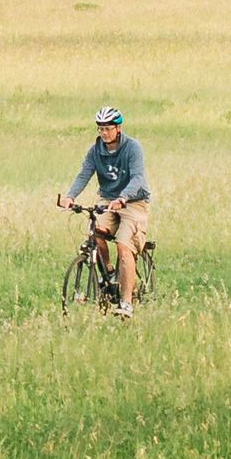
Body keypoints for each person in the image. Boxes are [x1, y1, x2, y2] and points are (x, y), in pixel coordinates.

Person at [63, 103, 152, 316]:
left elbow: (138, 178)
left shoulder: (132, 147)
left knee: (124, 245)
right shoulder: (96, 151)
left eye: (108, 128)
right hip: (108, 199)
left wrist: (123, 198)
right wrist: (70, 196)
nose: (104, 133)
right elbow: (84, 174)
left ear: (118, 128)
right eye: (100, 128)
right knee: (94, 233)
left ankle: (126, 303)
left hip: (133, 201)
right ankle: (110, 273)